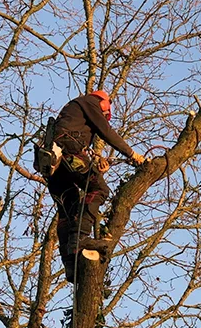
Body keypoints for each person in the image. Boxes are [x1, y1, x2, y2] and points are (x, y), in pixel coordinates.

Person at [47, 89, 145, 281]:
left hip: (54, 162)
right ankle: (80, 239)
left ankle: (70, 262)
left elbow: (82, 144)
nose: (105, 116)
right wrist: (132, 154)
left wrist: (97, 165)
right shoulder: (90, 102)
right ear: (103, 101)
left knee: (70, 205)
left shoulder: (72, 114)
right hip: (69, 152)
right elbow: (106, 131)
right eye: (106, 112)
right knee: (100, 189)